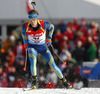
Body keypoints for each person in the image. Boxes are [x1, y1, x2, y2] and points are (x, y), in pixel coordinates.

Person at [21, 9, 72, 89]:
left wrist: (49, 38)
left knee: (53, 65)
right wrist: (25, 43)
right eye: (31, 19)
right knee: (33, 61)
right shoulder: (26, 26)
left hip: (43, 47)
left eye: (34, 19)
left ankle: (64, 82)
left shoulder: (43, 24)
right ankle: (34, 81)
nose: (32, 21)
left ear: (36, 18)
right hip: (32, 47)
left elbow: (52, 27)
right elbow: (23, 33)